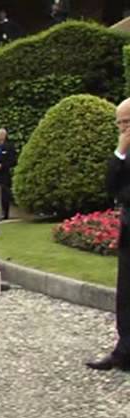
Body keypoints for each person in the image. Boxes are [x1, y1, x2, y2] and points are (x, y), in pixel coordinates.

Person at [88, 98, 130, 371]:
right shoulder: (123, 152)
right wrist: (119, 151)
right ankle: (123, 352)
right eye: (119, 124)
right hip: (129, 229)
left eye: (127, 122)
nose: (123, 128)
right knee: (125, 295)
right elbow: (111, 185)